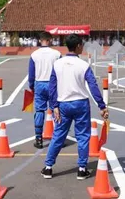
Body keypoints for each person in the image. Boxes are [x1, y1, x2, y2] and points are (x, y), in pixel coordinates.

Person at [41, 34, 109, 180]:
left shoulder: (58, 64)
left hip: (63, 104)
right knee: (83, 136)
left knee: (58, 135)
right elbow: (92, 86)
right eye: (82, 45)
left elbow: (52, 86)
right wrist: (102, 106)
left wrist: (54, 106)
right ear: (78, 46)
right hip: (81, 104)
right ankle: (82, 169)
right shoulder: (83, 65)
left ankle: (48, 167)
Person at [28, 32, 62, 149]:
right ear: (50, 40)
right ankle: (58, 139)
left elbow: (31, 74)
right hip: (53, 84)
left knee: (39, 111)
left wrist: (31, 86)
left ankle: (38, 139)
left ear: (40, 40)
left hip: (39, 83)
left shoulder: (34, 55)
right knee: (55, 110)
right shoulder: (57, 54)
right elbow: (61, 70)